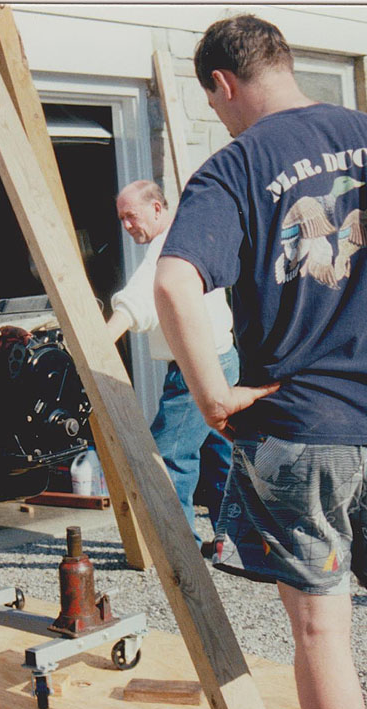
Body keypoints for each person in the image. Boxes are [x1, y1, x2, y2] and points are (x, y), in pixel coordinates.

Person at [153, 15, 367, 709]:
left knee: (320, 629)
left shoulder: (238, 164)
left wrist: (211, 395)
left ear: (222, 82)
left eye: (213, 102)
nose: (219, 117)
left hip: (297, 430)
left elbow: (174, 281)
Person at [105, 180, 238, 545]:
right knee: (220, 454)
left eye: (131, 216)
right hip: (222, 359)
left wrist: (101, 340)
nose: (127, 225)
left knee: (169, 455)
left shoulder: (168, 248)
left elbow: (142, 297)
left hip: (197, 367)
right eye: (121, 219)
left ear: (156, 208)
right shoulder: (189, 234)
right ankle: (234, 541)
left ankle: (181, 549)